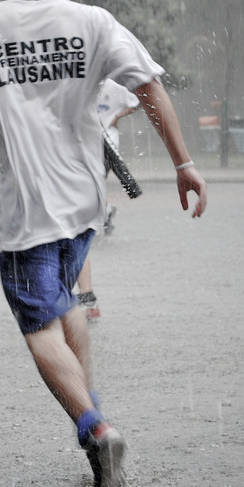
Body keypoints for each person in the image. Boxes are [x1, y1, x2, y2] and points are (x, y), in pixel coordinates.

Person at [0, 0, 207, 487]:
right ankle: (94, 412)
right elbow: (149, 85)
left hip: (24, 209)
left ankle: (96, 429)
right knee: (68, 302)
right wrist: (183, 164)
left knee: (37, 329)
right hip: (83, 202)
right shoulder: (93, 21)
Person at [76, 79, 141, 321]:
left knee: (73, 226)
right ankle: (85, 298)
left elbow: (139, 100)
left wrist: (115, 117)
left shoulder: (111, 86)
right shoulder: (78, 80)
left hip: (102, 145)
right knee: (74, 225)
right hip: (80, 149)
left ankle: (84, 298)